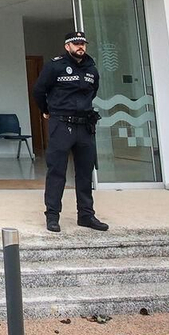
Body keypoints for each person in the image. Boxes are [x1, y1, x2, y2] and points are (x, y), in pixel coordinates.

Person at [31, 31, 109, 233]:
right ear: (67, 47)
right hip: (61, 124)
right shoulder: (55, 66)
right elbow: (39, 90)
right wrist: (47, 111)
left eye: (82, 43)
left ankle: (86, 215)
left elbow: (93, 91)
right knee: (57, 171)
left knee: (85, 172)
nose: (80, 46)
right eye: (75, 43)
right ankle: (52, 216)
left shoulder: (92, 68)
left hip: (84, 126)